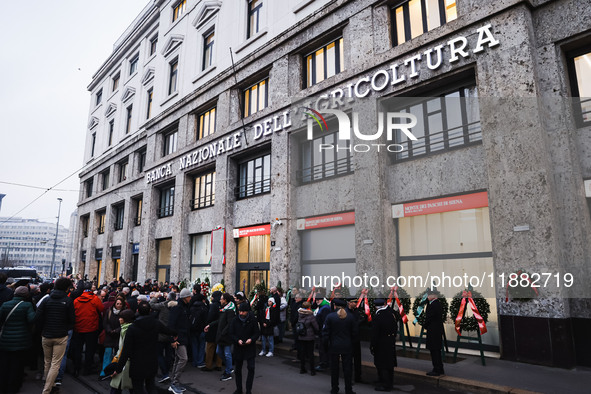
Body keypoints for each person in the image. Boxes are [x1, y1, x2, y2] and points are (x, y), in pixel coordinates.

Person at [115, 301, 177, 394]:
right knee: (151, 386)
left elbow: (126, 350)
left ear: (137, 311)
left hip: (137, 363)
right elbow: (167, 331)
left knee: (137, 387)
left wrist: (118, 368)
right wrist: (176, 334)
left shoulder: (132, 328)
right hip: (151, 360)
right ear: (150, 310)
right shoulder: (156, 323)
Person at [35, 277, 75, 394]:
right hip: (60, 336)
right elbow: (72, 320)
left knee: (47, 362)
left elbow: (37, 317)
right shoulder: (68, 301)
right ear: (67, 288)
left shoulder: (46, 300)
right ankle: (47, 390)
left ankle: (50, 384)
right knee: (55, 363)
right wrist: (65, 328)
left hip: (46, 335)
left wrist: (44, 328)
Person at [0, 286, 36, 393]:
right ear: (26, 295)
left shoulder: (5, 305)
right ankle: (13, 387)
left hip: (5, 339)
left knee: (5, 364)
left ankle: (3, 386)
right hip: (21, 340)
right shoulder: (27, 305)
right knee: (17, 365)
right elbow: (32, 319)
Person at [322, 298, 357, 394]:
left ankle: (334, 388)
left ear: (334, 306)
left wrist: (326, 347)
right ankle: (348, 389)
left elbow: (325, 334)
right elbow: (355, 333)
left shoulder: (330, 317)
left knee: (334, 369)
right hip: (347, 346)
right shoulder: (350, 317)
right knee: (348, 369)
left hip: (334, 346)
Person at [72, 283, 105, 376]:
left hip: (79, 328)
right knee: (89, 350)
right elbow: (101, 309)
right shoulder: (94, 299)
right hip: (91, 328)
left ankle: (76, 368)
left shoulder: (77, 300)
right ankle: (87, 369)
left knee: (78, 349)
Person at [229, 302, 260, 394]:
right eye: (240, 311)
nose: (241, 313)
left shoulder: (252, 320)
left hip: (250, 347)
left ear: (247, 312)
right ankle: (239, 389)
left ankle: (248, 390)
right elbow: (231, 333)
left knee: (251, 368)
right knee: (238, 369)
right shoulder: (235, 320)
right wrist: (237, 340)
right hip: (238, 348)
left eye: (243, 312)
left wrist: (251, 339)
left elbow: (256, 333)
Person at [205, 292, 236, 381]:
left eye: (221, 298)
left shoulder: (230, 310)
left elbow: (230, 323)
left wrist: (223, 332)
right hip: (221, 336)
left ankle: (228, 372)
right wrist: (210, 325)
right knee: (219, 352)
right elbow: (219, 321)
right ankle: (229, 367)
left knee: (227, 354)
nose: (220, 300)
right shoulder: (224, 309)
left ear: (225, 300)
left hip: (225, 337)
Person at [370, 299, 398, 391]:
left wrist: (372, 345)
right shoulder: (391, 313)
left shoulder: (378, 316)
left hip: (381, 342)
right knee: (389, 364)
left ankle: (385, 384)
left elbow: (375, 333)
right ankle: (389, 382)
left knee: (382, 364)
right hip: (390, 341)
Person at [168, 288, 192, 394]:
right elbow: (171, 324)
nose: (190, 298)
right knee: (183, 359)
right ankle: (174, 383)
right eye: (189, 296)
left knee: (178, 360)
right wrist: (172, 339)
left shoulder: (184, 307)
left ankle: (174, 382)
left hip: (182, 337)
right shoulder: (178, 308)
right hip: (178, 338)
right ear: (185, 298)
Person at [150, 292, 176, 383]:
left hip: (161, 333)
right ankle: (167, 371)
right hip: (171, 334)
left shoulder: (163, 305)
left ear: (167, 298)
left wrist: (155, 297)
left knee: (159, 354)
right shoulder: (177, 306)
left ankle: (165, 373)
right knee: (169, 353)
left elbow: (151, 305)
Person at [109, 309, 135, 394]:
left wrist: (118, 362)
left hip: (124, 361)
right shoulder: (126, 328)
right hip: (126, 361)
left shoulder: (126, 330)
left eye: (121, 318)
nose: (119, 319)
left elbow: (124, 349)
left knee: (116, 386)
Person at [101, 296, 126, 377]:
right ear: (114, 304)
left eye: (120, 304)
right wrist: (109, 330)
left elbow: (124, 324)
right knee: (107, 354)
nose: (118, 305)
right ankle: (105, 371)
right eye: (117, 304)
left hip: (118, 336)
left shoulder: (124, 313)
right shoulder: (109, 311)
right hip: (109, 335)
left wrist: (116, 331)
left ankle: (115, 371)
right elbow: (105, 322)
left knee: (117, 355)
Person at [424, 290, 445, 376]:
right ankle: (440, 368)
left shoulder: (433, 305)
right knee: (437, 350)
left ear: (434, 296)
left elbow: (429, 317)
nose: (427, 297)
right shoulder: (438, 304)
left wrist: (425, 325)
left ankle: (436, 369)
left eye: (429, 295)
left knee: (434, 351)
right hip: (437, 330)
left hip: (433, 331)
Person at [203, 290, 223, 371]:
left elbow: (210, 317)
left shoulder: (213, 305)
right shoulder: (222, 305)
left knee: (210, 347)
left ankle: (208, 365)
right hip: (220, 328)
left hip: (212, 328)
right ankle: (219, 364)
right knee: (219, 347)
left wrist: (207, 324)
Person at [297, 301, 319, 375]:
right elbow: (316, 327)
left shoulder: (300, 314)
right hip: (309, 336)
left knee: (302, 353)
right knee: (310, 354)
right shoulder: (311, 316)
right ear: (309, 307)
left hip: (301, 336)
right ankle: (312, 370)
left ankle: (302, 368)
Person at [189, 292, 208, 368]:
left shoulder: (192, 307)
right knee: (201, 346)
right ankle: (200, 362)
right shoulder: (204, 308)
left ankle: (195, 361)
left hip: (193, 329)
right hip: (202, 329)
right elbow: (206, 319)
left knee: (194, 345)